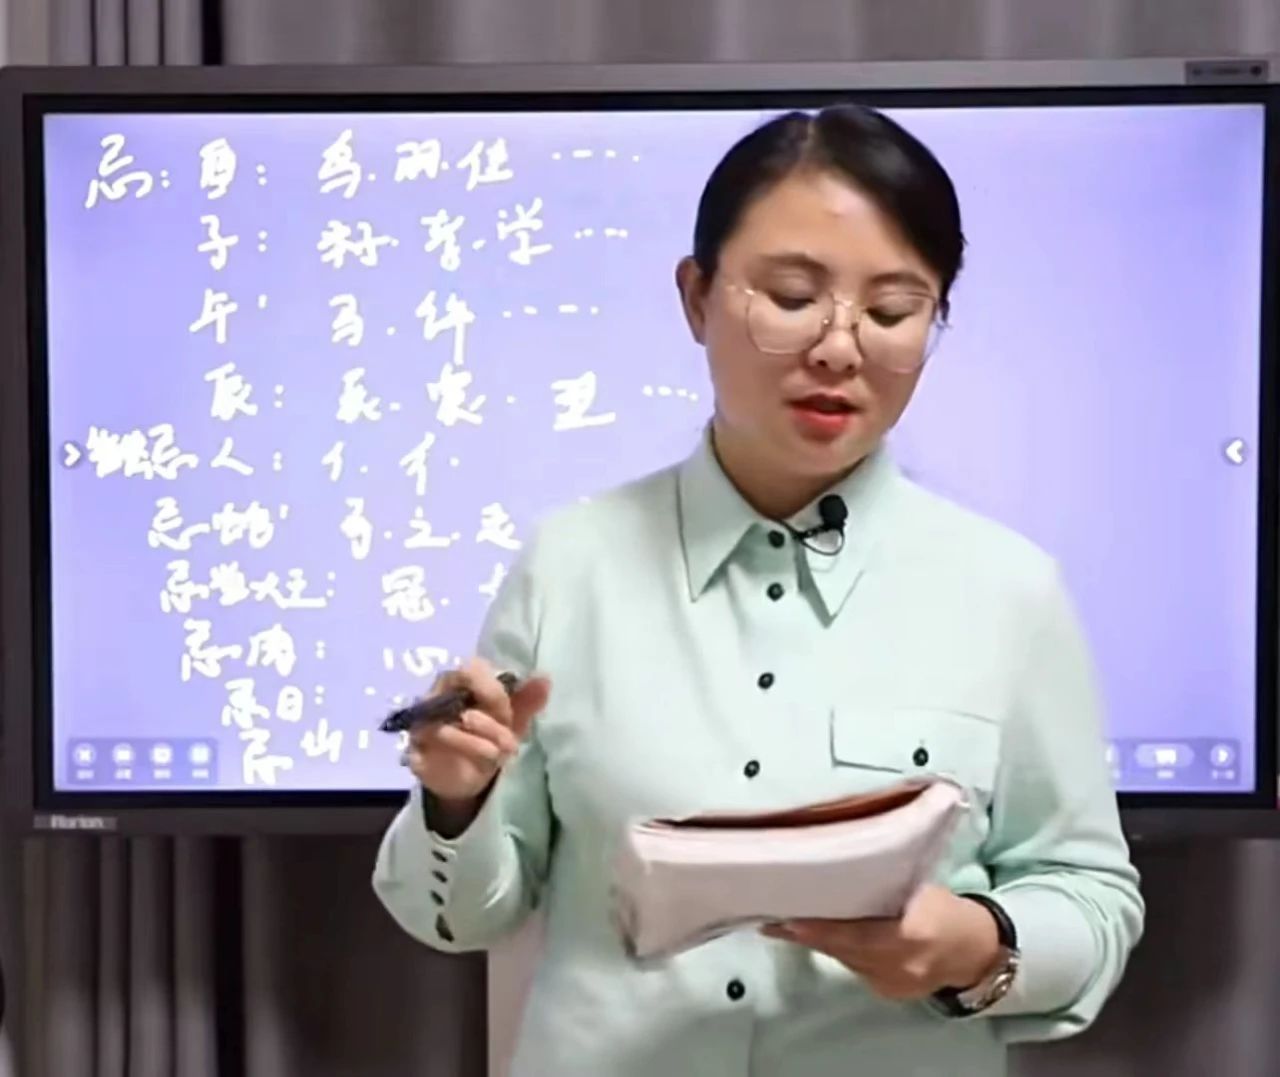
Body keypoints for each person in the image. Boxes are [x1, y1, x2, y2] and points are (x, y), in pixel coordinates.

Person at [372, 103, 1144, 1076]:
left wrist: (977, 944)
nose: (838, 347)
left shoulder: (1007, 591)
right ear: (696, 297)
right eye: (790, 296)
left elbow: (1090, 895)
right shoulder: (570, 564)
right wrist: (456, 801)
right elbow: (461, 915)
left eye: (892, 311)